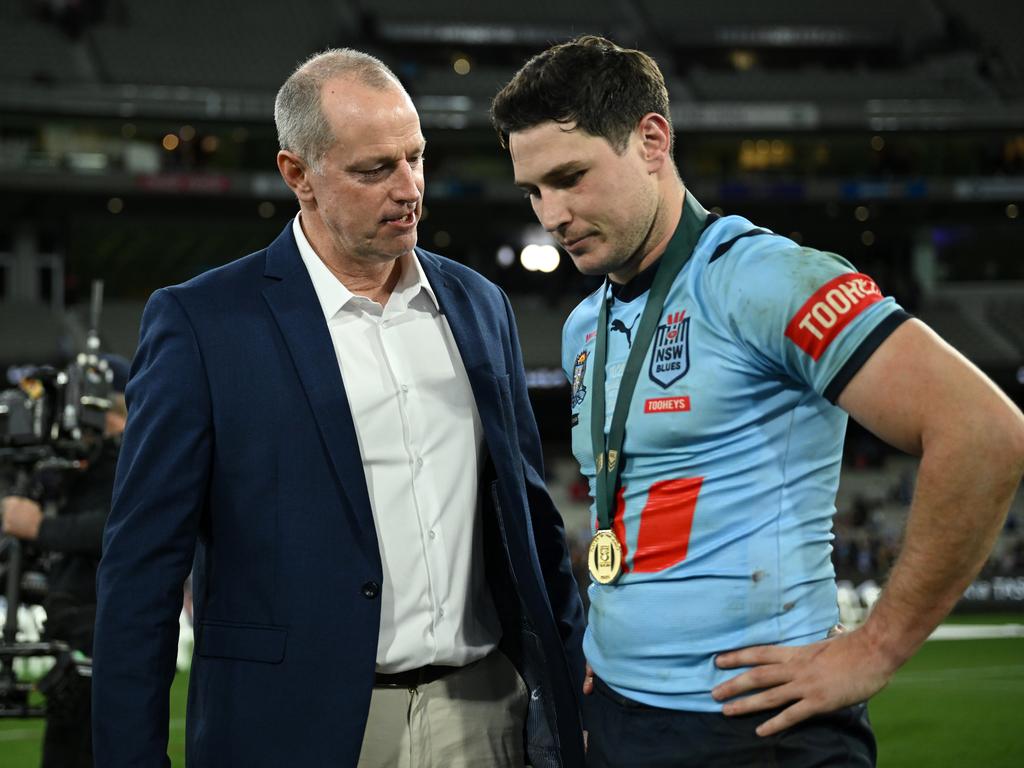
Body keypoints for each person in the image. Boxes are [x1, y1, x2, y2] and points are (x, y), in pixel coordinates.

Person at [491, 35, 1024, 767]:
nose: (551, 213)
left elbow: (984, 430)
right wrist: (604, 653)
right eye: (533, 191)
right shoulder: (588, 324)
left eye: (570, 177)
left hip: (753, 730)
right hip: (615, 716)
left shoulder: (764, 279)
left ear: (651, 141)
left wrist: (874, 649)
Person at [91, 48, 586, 768]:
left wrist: (568, 681)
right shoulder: (203, 325)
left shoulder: (481, 306)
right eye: (373, 169)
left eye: (415, 158)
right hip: (292, 727)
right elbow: (141, 569)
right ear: (299, 175)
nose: (409, 187)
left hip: (484, 717)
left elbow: (532, 524)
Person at [2, 353, 129, 768]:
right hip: (68, 633)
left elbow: (117, 528)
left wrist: (39, 527)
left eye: (102, 410)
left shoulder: (133, 459)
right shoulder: (71, 469)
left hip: (107, 634)